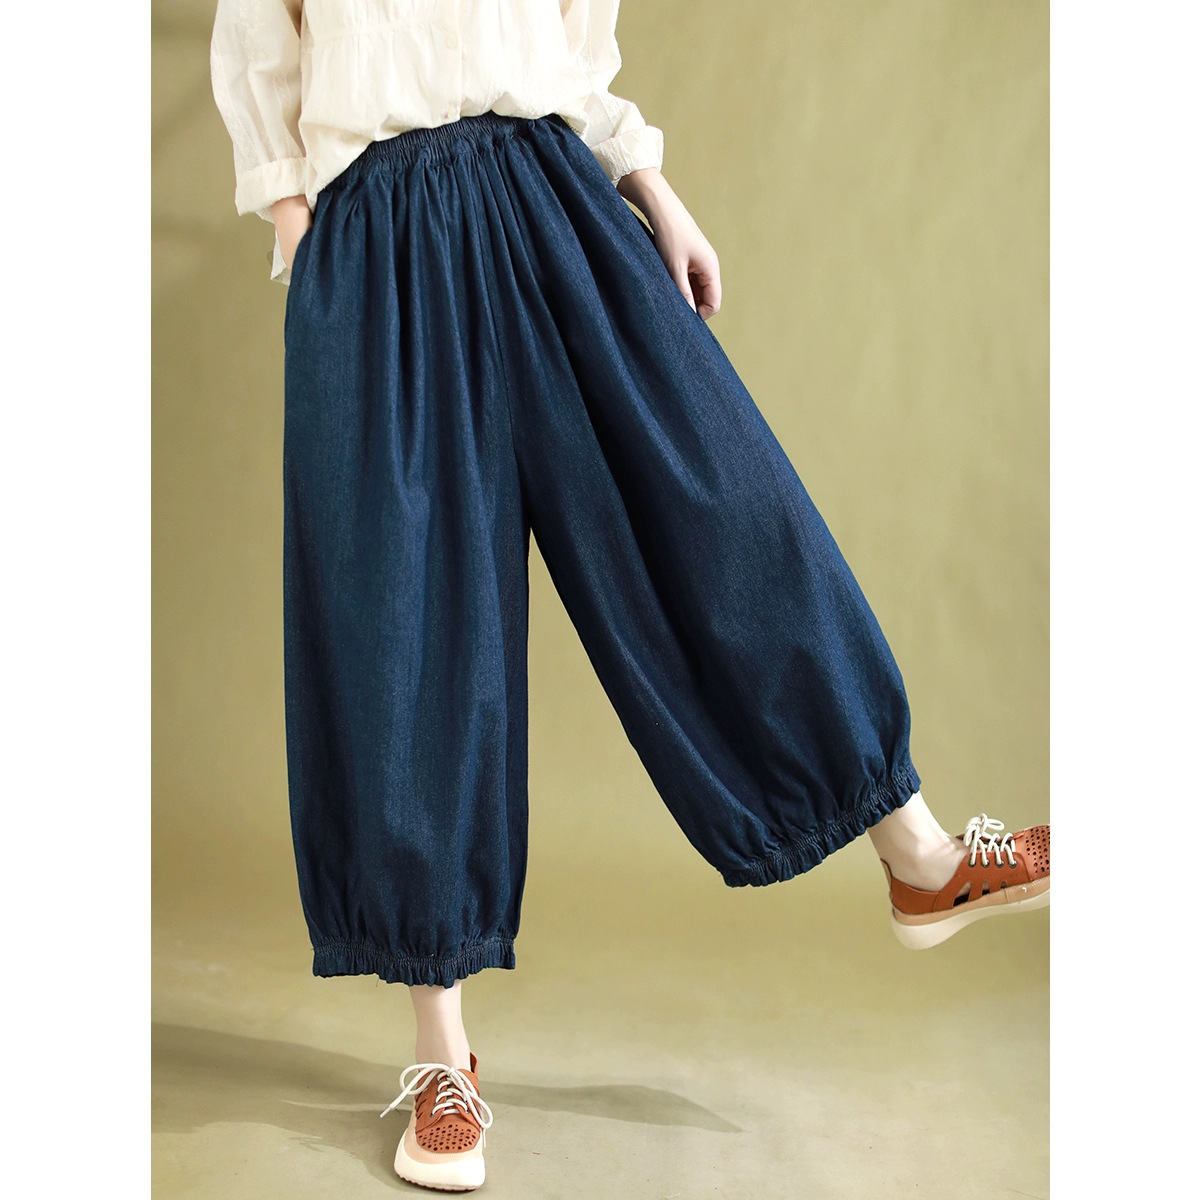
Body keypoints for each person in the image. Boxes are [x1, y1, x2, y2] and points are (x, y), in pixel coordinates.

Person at [209, 1, 1049, 1192]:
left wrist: (653, 186)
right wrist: (310, 251)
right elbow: (258, 50)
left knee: (721, 508)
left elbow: (574, 50)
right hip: (379, 242)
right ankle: (443, 1059)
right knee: (409, 629)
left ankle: (917, 854)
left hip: (551, 195)